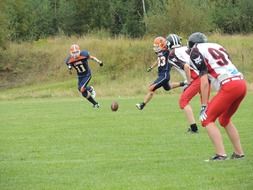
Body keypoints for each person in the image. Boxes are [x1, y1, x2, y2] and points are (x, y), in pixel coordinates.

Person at [188, 32, 247, 161]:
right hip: (241, 83)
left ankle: (221, 154)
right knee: (224, 119)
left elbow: (204, 81)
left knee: (206, 119)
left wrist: (204, 105)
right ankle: (239, 153)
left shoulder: (195, 50)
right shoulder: (216, 45)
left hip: (229, 85)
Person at [136, 36, 187, 110]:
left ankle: (142, 105)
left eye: (157, 46)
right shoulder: (161, 53)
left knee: (151, 88)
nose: (156, 48)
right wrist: (151, 67)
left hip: (164, 76)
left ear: (163, 45)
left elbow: (173, 46)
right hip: (161, 75)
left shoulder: (167, 52)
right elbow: (158, 60)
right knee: (168, 88)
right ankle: (184, 83)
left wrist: (177, 40)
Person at [167, 33, 203, 133]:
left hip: (196, 78)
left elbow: (186, 67)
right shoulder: (185, 48)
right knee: (204, 102)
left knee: (183, 101)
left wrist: (189, 81)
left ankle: (194, 128)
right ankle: (210, 122)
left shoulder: (172, 54)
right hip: (204, 75)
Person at [65, 44, 103, 108]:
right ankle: (95, 104)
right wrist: (70, 69)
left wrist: (99, 61)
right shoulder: (69, 60)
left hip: (87, 74)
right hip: (80, 76)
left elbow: (92, 58)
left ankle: (90, 89)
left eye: (77, 52)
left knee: (82, 89)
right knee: (82, 91)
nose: (75, 54)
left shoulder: (84, 55)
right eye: (73, 53)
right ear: (71, 53)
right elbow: (70, 66)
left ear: (79, 51)